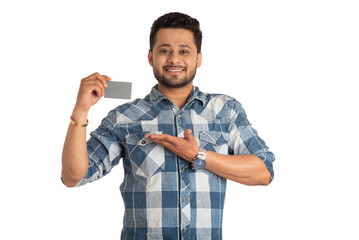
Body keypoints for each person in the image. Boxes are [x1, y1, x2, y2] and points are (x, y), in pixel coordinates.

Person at [61, 12, 275, 240]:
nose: (174, 59)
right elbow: (74, 176)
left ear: (198, 59)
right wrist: (81, 111)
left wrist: (199, 155)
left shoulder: (225, 110)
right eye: (164, 51)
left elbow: (263, 171)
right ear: (150, 57)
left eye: (184, 51)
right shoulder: (124, 118)